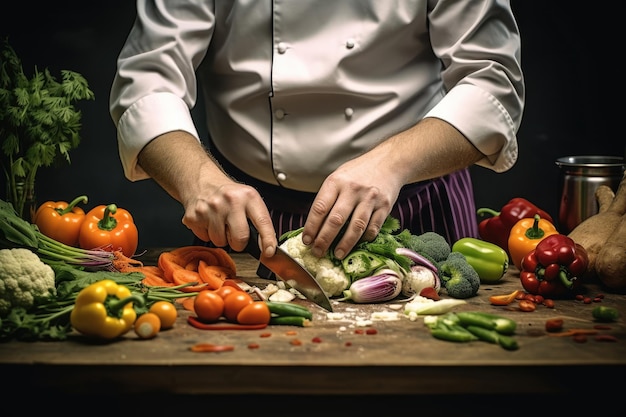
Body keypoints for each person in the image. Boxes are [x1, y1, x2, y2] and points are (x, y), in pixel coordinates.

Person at [109, 0, 525, 263]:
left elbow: (492, 83)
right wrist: (199, 180)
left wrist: (389, 164)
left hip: (412, 206)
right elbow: (148, 81)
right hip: (249, 220)